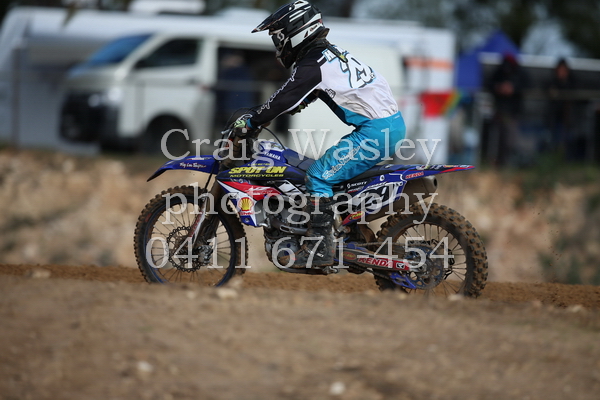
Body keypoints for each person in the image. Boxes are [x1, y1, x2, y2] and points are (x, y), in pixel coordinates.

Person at [233, 0, 405, 268]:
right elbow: (302, 96)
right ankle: (351, 235)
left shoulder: (313, 65)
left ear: (295, 32)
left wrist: (252, 122)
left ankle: (318, 250)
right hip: (388, 126)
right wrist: (281, 108)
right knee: (333, 174)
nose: (278, 45)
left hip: (375, 132)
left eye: (278, 38)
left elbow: (283, 98)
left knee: (318, 176)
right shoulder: (330, 54)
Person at [486, 53, 529, 166]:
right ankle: (496, 163)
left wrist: (513, 88)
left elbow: (528, 84)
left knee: (510, 141)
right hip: (499, 112)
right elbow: (488, 83)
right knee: (496, 140)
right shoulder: (498, 73)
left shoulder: (520, 73)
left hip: (513, 113)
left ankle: (508, 163)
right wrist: (498, 87)